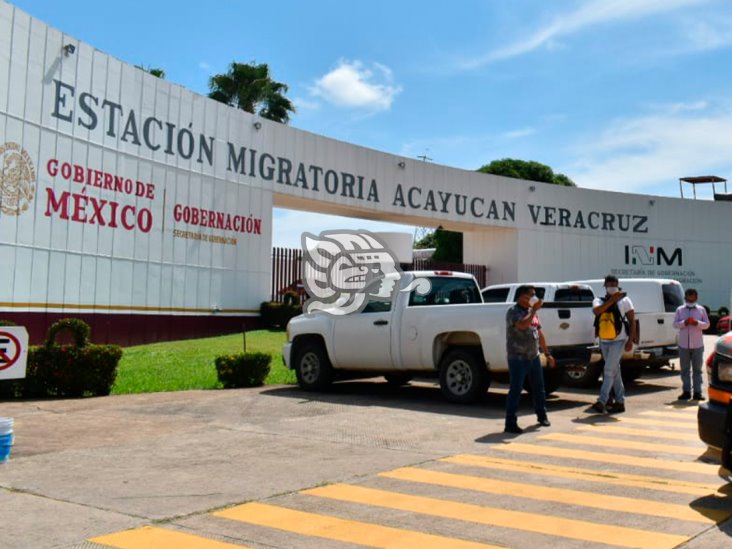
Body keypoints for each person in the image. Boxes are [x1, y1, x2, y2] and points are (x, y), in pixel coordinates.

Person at [504, 285, 556, 434]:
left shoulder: (531, 312)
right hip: (518, 358)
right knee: (516, 389)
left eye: (534, 295)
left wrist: (547, 353)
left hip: (533, 357)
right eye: (530, 295)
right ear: (521, 296)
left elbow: (539, 333)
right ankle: (510, 422)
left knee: (539, 388)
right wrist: (533, 310)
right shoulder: (513, 312)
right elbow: (521, 325)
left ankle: (542, 416)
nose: (534, 297)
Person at [592, 275, 635, 414]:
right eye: (609, 283)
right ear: (604, 285)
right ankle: (620, 402)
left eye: (614, 283)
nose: (612, 286)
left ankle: (602, 401)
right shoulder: (599, 300)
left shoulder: (626, 300)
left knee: (609, 370)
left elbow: (632, 320)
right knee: (615, 371)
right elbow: (597, 311)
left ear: (618, 284)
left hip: (619, 340)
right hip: (604, 341)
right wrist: (612, 300)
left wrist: (631, 340)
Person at [672, 288, 710, 400]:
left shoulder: (701, 309)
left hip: (698, 345)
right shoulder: (680, 309)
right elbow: (674, 324)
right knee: (684, 370)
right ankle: (686, 392)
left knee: (697, 370)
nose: (690, 299)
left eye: (692, 297)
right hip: (683, 344)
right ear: (685, 297)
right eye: (688, 297)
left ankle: (697, 392)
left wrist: (697, 323)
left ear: (696, 297)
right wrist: (684, 323)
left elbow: (707, 325)